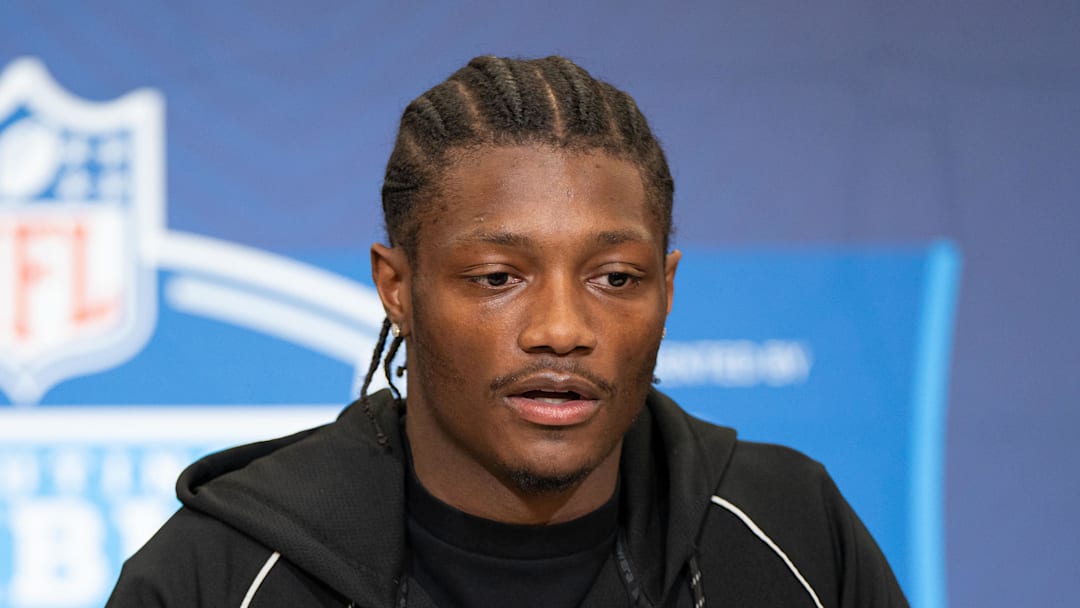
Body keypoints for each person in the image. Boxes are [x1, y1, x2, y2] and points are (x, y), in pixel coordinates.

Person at [107, 55, 908, 607]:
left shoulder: (792, 534)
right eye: (498, 278)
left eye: (615, 279)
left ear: (667, 290)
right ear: (398, 288)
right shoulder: (217, 576)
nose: (562, 329)